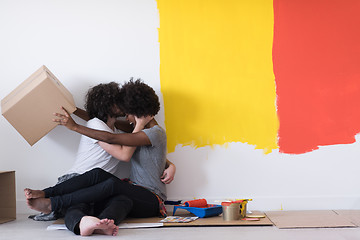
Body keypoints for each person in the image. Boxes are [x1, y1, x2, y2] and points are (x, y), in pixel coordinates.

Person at [26, 79, 170, 236]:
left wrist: (74, 127)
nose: (126, 117)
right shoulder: (139, 133)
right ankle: (100, 223)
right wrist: (73, 110)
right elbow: (102, 127)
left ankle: (53, 202)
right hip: (132, 191)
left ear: (138, 113)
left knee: (109, 183)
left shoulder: (152, 133)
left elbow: (112, 139)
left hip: (152, 197)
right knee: (120, 200)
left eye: (128, 113)